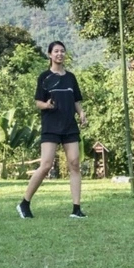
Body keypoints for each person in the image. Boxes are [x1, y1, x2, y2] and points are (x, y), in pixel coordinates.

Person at [18, 40, 87, 219]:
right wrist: (47, 105)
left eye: (62, 51)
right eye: (56, 51)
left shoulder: (71, 77)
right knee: (46, 165)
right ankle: (24, 203)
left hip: (69, 126)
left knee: (74, 164)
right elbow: (38, 103)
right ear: (50, 55)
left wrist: (81, 114)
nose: (59, 54)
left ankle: (76, 209)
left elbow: (76, 100)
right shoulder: (44, 77)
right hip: (51, 126)